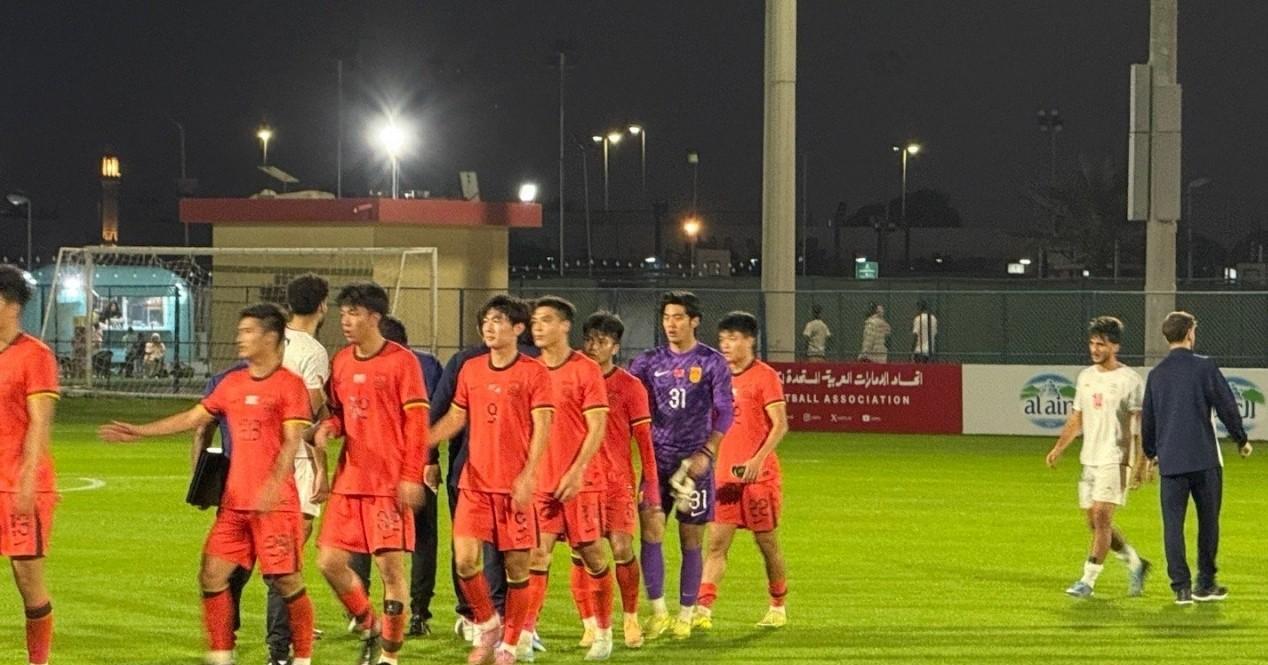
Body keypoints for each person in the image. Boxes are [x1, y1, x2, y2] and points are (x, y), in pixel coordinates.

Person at [98, 303, 317, 665]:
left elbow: (292, 441)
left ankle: (303, 657)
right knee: (211, 575)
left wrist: (274, 484)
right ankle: (221, 655)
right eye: (240, 331)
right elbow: (193, 418)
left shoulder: (289, 385)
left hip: (274, 507)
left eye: (248, 331)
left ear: (270, 337)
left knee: (286, 581)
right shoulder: (231, 384)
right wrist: (140, 431)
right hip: (234, 505)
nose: (240, 338)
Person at [427, 295, 553, 665]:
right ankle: (488, 624)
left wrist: (529, 474)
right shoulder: (471, 369)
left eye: (498, 320)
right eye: (486, 320)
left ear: (518, 328)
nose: (489, 327)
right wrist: (423, 440)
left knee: (517, 570)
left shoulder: (534, 372)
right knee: (466, 561)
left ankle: (509, 646)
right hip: (475, 484)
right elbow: (456, 417)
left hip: (513, 487)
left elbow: (543, 427)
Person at [314, 282, 429, 665]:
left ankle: (389, 658)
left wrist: (411, 476)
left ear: (375, 317)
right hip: (350, 482)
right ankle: (369, 623)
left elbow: (417, 424)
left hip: (388, 486)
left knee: (390, 572)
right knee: (328, 562)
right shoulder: (342, 361)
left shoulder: (402, 362)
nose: (346, 321)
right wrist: (330, 428)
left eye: (355, 314)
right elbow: (338, 414)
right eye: (343, 313)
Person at [628, 290, 734, 640]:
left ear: (694, 321)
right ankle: (658, 612)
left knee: (691, 539)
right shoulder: (647, 362)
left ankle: (686, 615)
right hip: (656, 462)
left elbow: (725, 411)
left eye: (678, 317)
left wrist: (707, 453)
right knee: (651, 531)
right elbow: (631, 406)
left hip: (694, 465)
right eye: (666, 318)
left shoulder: (712, 362)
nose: (671, 324)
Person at [519, 297, 613, 661]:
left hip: (580, 484)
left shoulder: (585, 369)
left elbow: (597, 426)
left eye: (546, 320)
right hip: (541, 482)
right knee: (536, 556)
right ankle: (526, 633)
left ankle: (603, 632)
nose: (538, 327)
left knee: (592, 556)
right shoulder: (529, 370)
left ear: (564, 326)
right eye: (534, 321)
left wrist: (577, 471)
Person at [1141, 311, 1251, 605]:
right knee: (1208, 522)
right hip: (1204, 458)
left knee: (1173, 525)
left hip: (1171, 462)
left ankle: (1181, 588)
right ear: (1190, 332)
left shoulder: (1156, 375)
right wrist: (1240, 438)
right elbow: (1226, 405)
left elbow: (1148, 419)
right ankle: (1205, 583)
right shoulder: (1205, 366)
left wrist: (1150, 453)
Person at [1044, 316, 1150, 599]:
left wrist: (1142, 461)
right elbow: (1077, 417)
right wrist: (1059, 448)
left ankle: (1087, 581)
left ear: (1115, 346)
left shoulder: (1130, 380)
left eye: (1101, 344)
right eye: (1092, 343)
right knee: (1095, 522)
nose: (1094, 349)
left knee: (1102, 517)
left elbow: (1139, 425)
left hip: (1117, 457)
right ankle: (1136, 563)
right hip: (1090, 457)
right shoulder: (1086, 377)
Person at [698, 311, 790, 629]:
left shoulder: (765, 376)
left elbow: (780, 425)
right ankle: (703, 610)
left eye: (733, 338)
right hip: (724, 477)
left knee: (767, 544)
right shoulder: (716, 378)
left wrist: (757, 460)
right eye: (722, 339)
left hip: (758, 478)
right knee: (716, 545)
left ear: (750, 340)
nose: (725, 345)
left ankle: (777, 606)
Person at [576, 311, 658, 650]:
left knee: (622, 548)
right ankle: (590, 624)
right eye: (589, 339)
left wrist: (650, 483)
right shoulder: (573, 378)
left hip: (616, 482)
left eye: (602, 341)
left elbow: (644, 440)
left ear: (615, 347)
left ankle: (630, 617)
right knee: (582, 554)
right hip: (580, 481)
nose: (594, 347)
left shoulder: (629, 386)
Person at [364, 315, 443, 639]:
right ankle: (418, 613)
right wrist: (431, 459)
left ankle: (364, 613)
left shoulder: (371, 365)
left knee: (368, 540)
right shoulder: (428, 364)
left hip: (377, 471)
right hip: (419, 465)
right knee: (423, 540)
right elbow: (435, 413)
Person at [0, 264, 59, 665]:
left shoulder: (35, 355)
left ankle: (38, 661)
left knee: (27, 581)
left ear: (11, 306)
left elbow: (40, 422)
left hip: (20, 485)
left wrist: (26, 479)